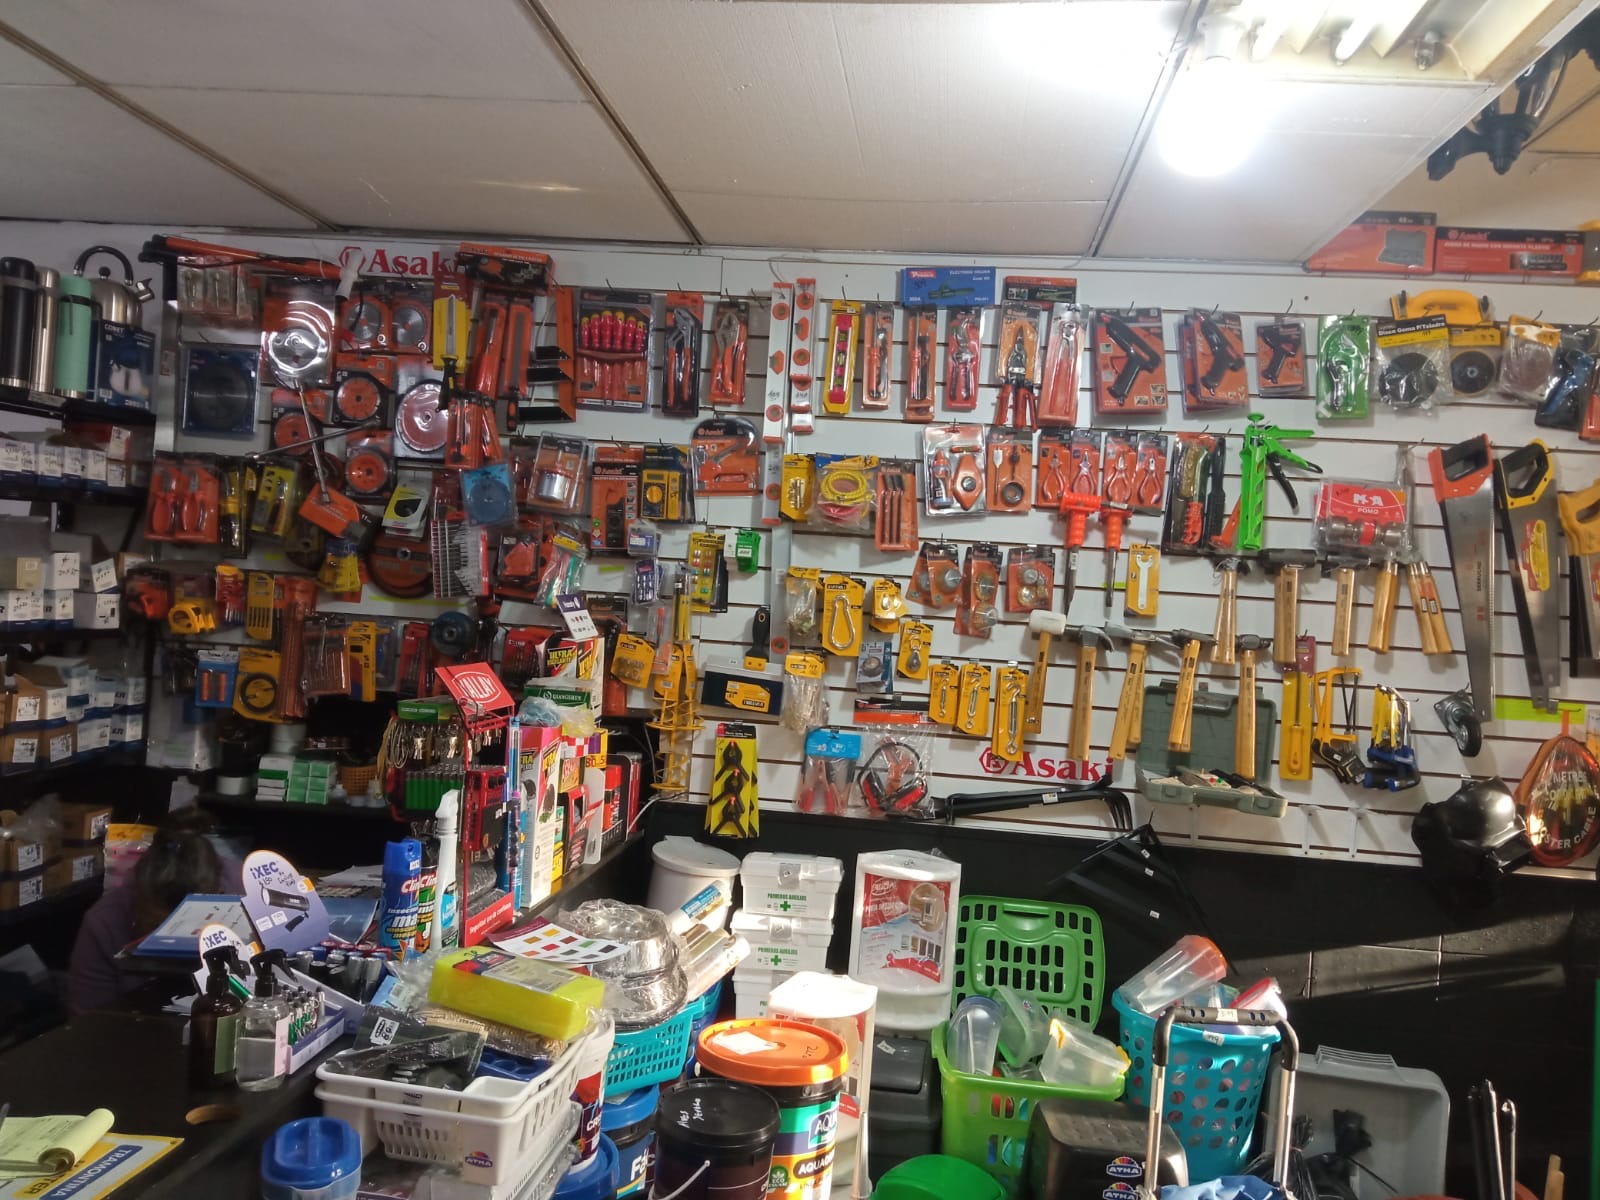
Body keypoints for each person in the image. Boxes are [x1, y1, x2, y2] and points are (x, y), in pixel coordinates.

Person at [67, 810, 231, 1015]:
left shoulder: (246, 895)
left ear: (218, 896)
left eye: (189, 928)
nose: (172, 943)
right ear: (137, 897)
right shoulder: (104, 923)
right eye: (157, 928)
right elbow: (90, 1020)